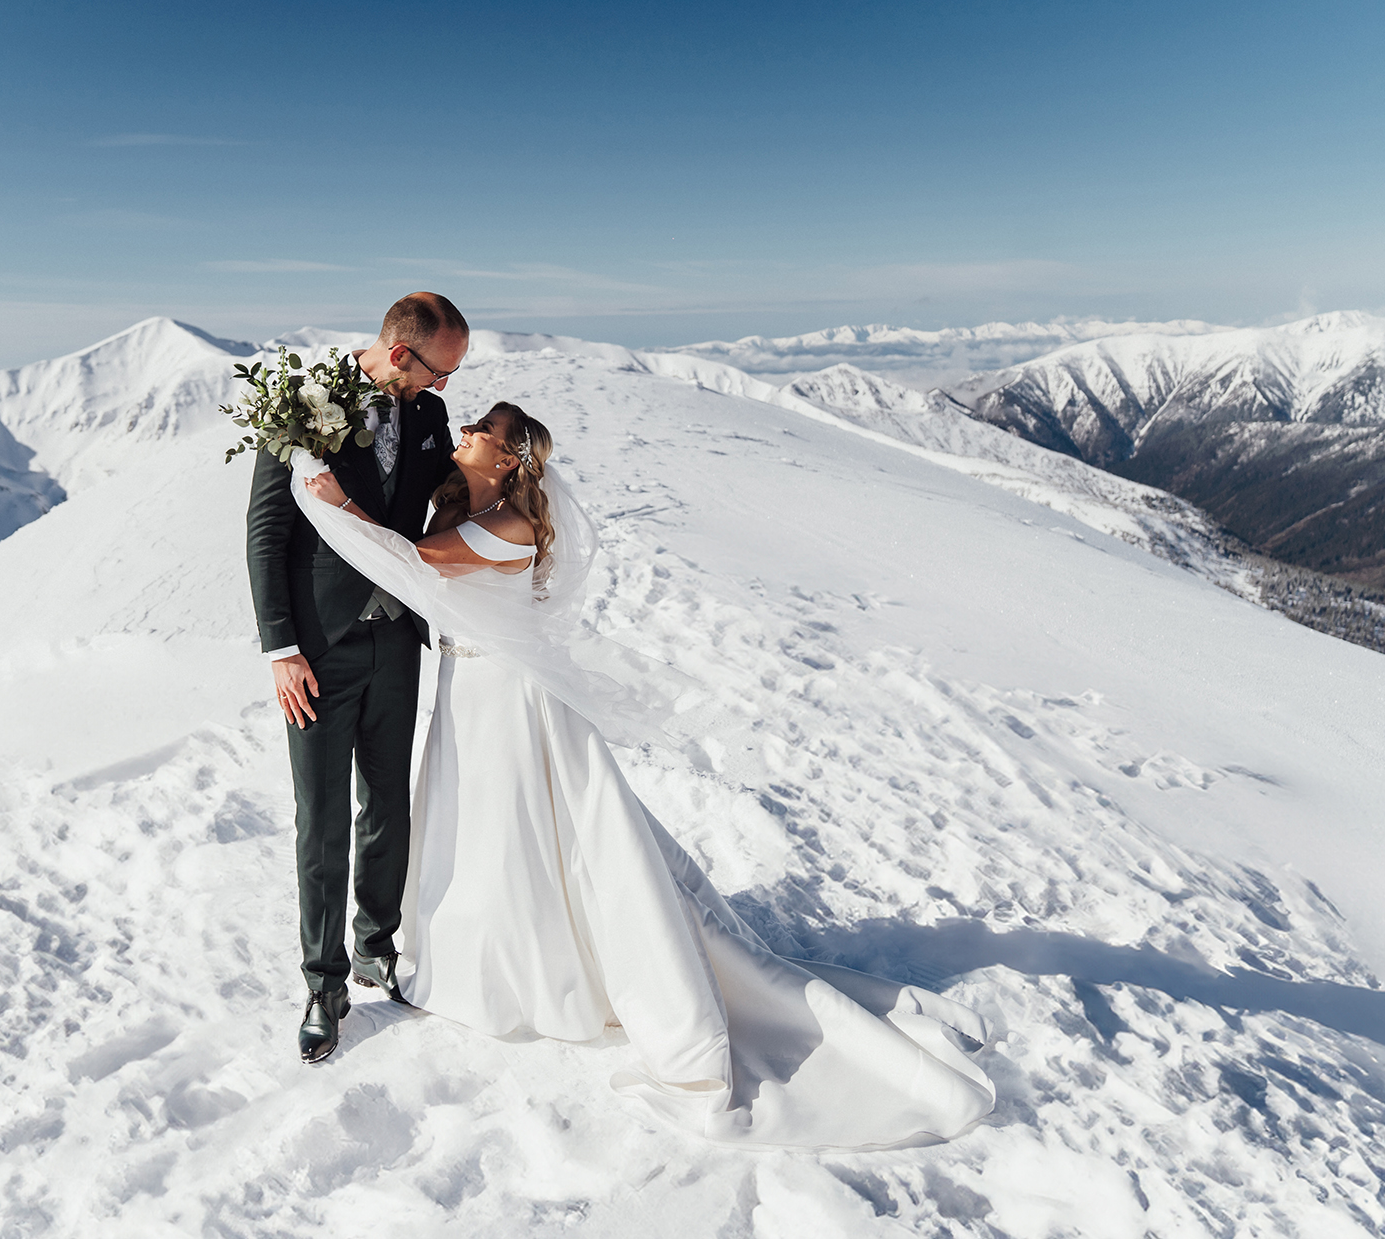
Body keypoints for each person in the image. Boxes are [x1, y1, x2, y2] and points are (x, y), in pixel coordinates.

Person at [297, 403, 998, 1148]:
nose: (465, 429)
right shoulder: (472, 505)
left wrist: (329, 499)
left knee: (515, 833)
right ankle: (481, 963)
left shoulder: (509, 526)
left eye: (483, 430)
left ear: (507, 461)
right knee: (476, 831)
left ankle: (540, 977)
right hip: (468, 693)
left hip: (508, 701)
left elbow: (416, 562)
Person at [244, 292, 469, 1064]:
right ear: (402, 354)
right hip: (318, 651)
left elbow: (442, 504)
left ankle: (376, 945)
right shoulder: (302, 404)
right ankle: (324, 984)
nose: (443, 389)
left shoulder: (432, 418)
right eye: (439, 371)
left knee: (388, 805)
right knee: (323, 819)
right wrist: (281, 649)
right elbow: (267, 532)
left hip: (397, 642)